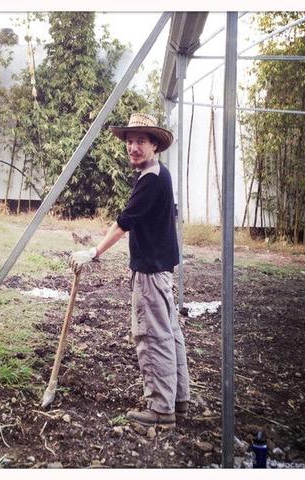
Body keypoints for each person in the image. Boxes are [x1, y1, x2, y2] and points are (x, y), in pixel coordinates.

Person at [69, 112, 190, 428]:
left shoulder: (150, 180)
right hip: (160, 265)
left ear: (154, 145)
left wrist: (93, 253)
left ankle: (161, 410)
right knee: (169, 331)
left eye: (141, 141)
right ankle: (179, 398)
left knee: (150, 335)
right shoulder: (158, 173)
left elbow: (124, 223)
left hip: (151, 269)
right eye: (129, 141)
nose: (133, 147)